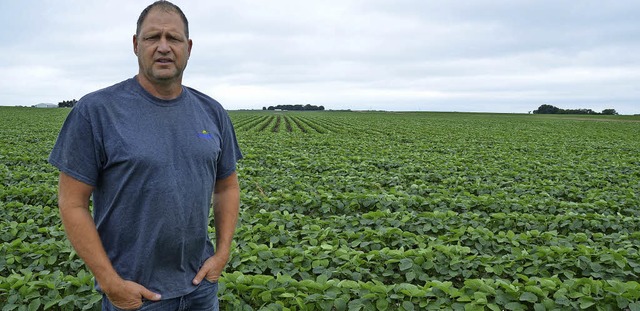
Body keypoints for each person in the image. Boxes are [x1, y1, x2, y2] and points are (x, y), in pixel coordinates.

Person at [48, 1, 242, 310]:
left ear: (188, 47)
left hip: (200, 290)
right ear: (136, 45)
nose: (163, 47)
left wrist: (222, 253)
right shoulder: (96, 111)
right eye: (153, 37)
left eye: (173, 38)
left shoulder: (211, 112)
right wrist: (111, 283)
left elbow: (227, 186)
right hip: (135, 296)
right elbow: (72, 203)